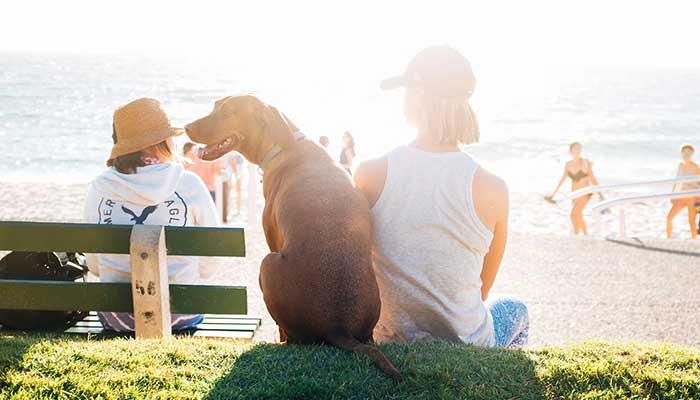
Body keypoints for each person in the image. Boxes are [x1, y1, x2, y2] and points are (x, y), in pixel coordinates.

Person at [355, 46, 528, 348]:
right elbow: (482, 291)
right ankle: (500, 382)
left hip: (391, 338)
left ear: (420, 93)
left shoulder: (371, 173)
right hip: (468, 342)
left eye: (407, 88)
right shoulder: (493, 188)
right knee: (517, 309)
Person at [83, 98, 220, 332]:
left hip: (117, 315)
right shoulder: (188, 183)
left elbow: (94, 265)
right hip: (181, 312)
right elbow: (211, 260)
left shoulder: (100, 187)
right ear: (163, 141)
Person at [546, 142, 599, 235]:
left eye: (579, 148)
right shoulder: (568, 164)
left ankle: (577, 235)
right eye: (576, 148)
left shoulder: (586, 162)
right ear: (571, 151)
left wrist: (600, 192)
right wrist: (553, 193)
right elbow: (562, 180)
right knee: (578, 215)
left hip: (585, 192)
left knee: (573, 214)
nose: (578, 150)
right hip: (574, 193)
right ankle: (584, 234)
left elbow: (592, 177)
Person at [666, 144, 700, 239]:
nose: (686, 155)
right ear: (681, 154)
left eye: (688, 153)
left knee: (691, 222)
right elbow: (677, 182)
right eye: (684, 153)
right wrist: (673, 195)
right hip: (682, 196)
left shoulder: (696, 167)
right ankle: (668, 239)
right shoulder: (680, 166)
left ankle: (694, 242)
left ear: (692, 154)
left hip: (693, 197)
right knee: (669, 217)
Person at [221, 152, 243, 221]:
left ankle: (237, 209)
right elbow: (232, 160)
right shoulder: (232, 153)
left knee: (236, 191)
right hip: (232, 171)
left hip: (234, 170)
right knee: (233, 191)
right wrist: (236, 174)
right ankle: (234, 210)